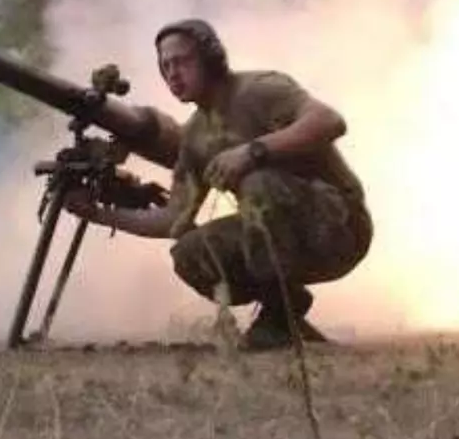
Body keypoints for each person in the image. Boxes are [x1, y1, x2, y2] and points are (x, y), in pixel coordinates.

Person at [64, 19, 373, 351]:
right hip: (287, 239)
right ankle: (284, 309)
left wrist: (253, 152)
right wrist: (97, 214)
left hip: (340, 227)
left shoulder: (260, 89)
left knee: (259, 183)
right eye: (165, 66)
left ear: (211, 59)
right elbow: (173, 220)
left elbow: (329, 121)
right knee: (190, 252)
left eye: (182, 61)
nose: (173, 73)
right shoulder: (196, 136)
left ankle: (279, 316)